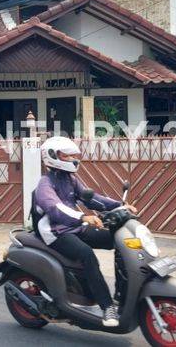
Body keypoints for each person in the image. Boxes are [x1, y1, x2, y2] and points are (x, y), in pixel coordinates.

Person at [33, 136, 137, 328]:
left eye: (73, 155)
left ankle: (122, 294)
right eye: (67, 155)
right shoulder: (45, 184)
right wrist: (82, 217)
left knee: (118, 240)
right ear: (52, 157)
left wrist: (120, 205)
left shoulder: (70, 179)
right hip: (56, 232)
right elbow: (55, 208)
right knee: (86, 254)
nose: (73, 158)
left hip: (74, 227)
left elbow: (90, 199)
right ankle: (107, 307)